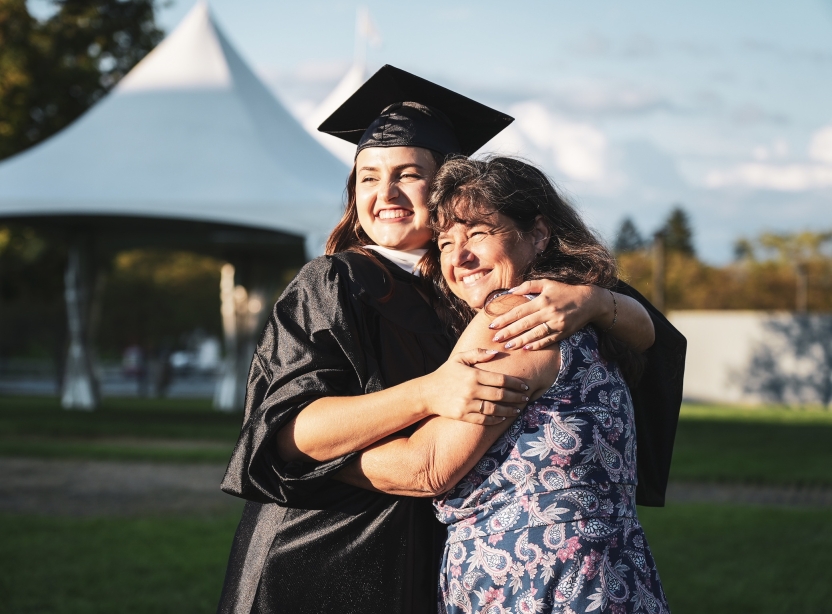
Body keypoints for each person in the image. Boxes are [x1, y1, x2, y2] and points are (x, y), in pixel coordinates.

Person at [217, 66, 671, 614]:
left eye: (408, 174)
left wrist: (598, 301)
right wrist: (429, 392)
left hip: (441, 553)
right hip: (327, 548)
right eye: (366, 177)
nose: (385, 193)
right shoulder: (337, 283)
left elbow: (650, 334)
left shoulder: (487, 283)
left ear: (445, 188)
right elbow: (287, 434)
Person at [337, 156, 671, 613]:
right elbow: (648, 331)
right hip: (610, 574)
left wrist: (304, 458)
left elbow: (427, 467)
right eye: (446, 241)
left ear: (538, 233)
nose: (459, 257)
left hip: (532, 580)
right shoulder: (578, 309)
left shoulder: (514, 318)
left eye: (477, 233)